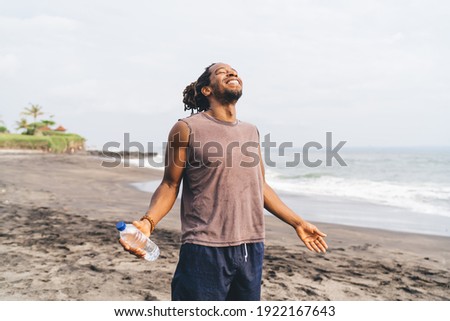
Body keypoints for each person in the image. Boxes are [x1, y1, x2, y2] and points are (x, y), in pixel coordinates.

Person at [120, 62, 328, 301]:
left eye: (235, 71)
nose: (232, 73)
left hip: (251, 247)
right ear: (206, 90)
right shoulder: (186, 128)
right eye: (222, 72)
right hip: (204, 247)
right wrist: (149, 222)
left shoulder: (251, 131)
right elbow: (170, 184)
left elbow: (260, 186)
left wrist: (297, 223)